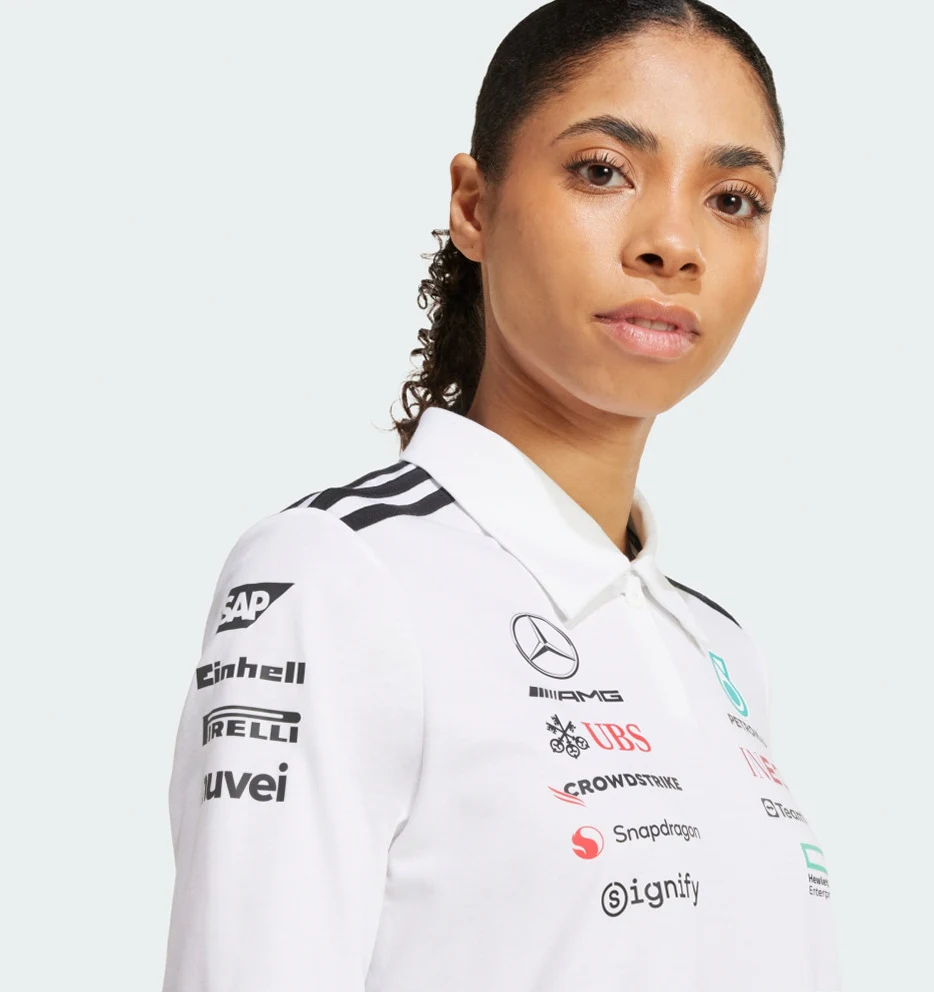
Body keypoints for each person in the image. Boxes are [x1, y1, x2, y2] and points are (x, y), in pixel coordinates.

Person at [161, 1, 843, 989]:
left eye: (732, 198)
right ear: (474, 207)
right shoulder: (335, 577)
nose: (672, 242)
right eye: (602, 171)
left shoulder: (719, 649)